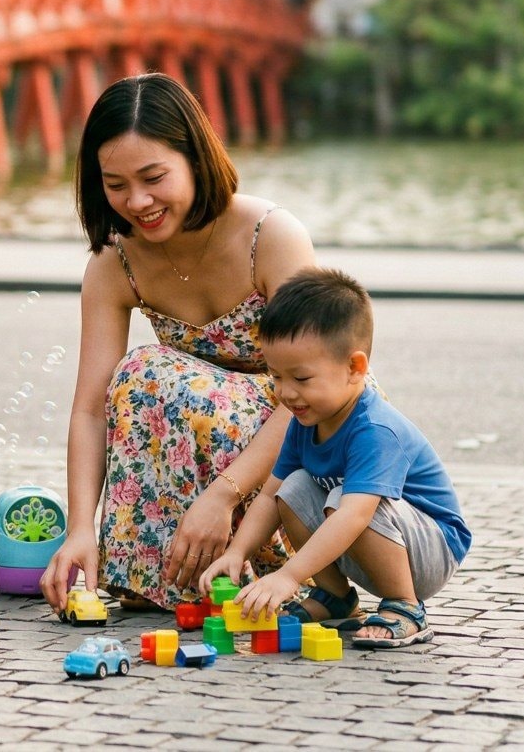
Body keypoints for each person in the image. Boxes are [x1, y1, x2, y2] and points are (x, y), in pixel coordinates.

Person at [42, 73, 338, 615]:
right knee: (138, 381)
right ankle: (172, 578)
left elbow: (316, 391)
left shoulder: (269, 236)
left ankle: (283, 568)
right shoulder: (116, 263)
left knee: (153, 372)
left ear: (197, 159)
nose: (138, 201)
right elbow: (90, 409)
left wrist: (223, 495)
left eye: (154, 177)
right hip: (208, 452)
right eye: (115, 184)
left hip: (302, 441)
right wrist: (80, 526)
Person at [201, 268, 469, 650]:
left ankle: (407, 606)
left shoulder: (375, 429)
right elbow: (268, 497)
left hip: (429, 552)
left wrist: (288, 576)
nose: (286, 393)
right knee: (293, 487)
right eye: (276, 377)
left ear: (355, 368)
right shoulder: (304, 421)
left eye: (302, 379)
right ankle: (336, 598)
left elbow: (356, 514)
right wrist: (236, 552)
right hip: (369, 535)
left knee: (350, 499)